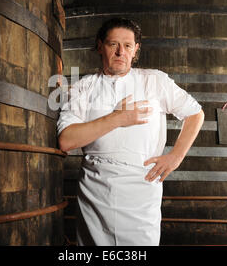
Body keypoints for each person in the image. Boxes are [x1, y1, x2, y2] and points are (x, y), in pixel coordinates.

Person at [57, 18, 204, 246]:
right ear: (99, 46)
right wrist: (117, 118)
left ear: (136, 50)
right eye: (112, 44)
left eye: (127, 45)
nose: (120, 52)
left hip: (142, 187)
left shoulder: (153, 80)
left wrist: (176, 156)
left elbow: (195, 113)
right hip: (97, 187)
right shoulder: (82, 87)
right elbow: (66, 140)